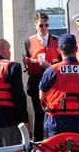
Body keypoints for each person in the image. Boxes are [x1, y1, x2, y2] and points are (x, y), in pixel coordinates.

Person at [39, 33, 79, 137]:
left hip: (57, 122)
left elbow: (41, 96)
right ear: (76, 48)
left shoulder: (51, 70)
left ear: (59, 51)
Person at [23, 11, 60, 142]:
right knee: (38, 113)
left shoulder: (56, 41)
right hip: (36, 80)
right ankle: (38, 143)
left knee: (53, 111)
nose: (44, 28)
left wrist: (48, 65)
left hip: (53, 80)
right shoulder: (29, 41)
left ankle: (54, 140)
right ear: (35, 25)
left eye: (46, 25)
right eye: (41, 25)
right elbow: (27, 58)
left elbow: (61, 63)